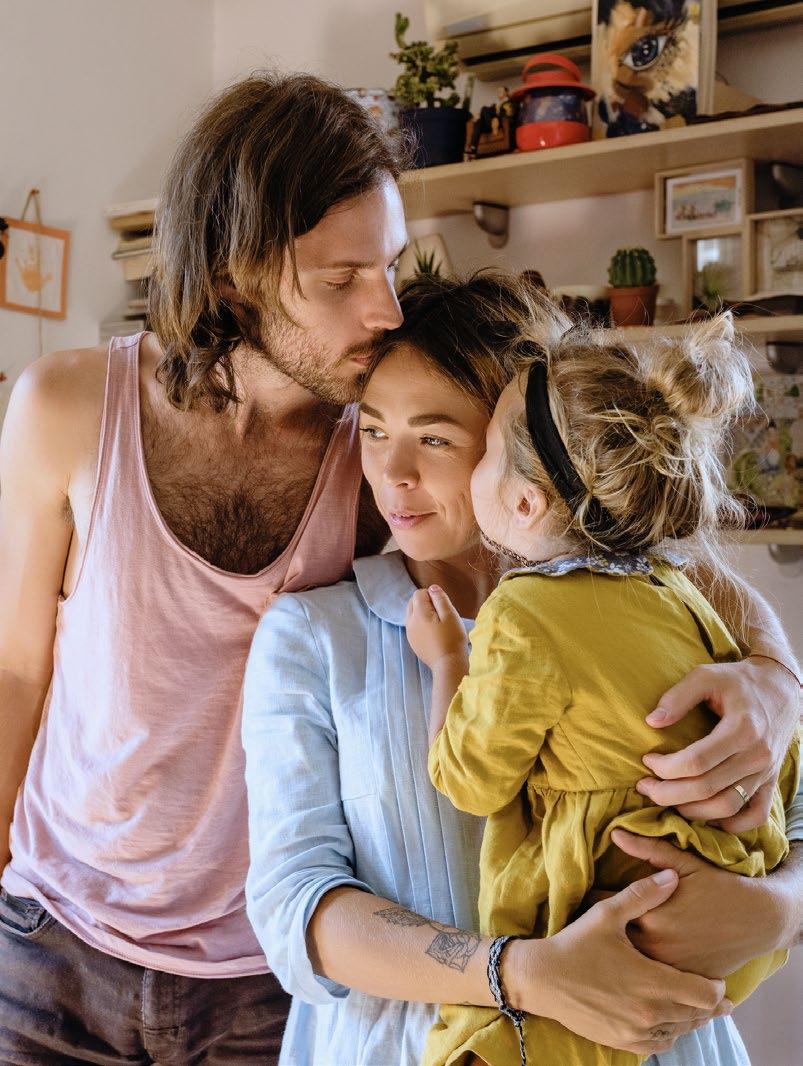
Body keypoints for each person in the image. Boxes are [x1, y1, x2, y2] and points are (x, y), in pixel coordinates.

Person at [242, 273, 802, 1066]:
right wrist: (521, 975)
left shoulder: (670, 606)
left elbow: (791, 819)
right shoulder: (314, 636)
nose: (392, 472)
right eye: (372, 431)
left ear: (531, 442)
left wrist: (776, 909)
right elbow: (295, 909)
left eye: (435, 438)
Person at [0, 72, 406, 1062]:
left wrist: (762, 670)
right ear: (233, 279)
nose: (387, 309)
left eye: (391, 266)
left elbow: (567, 547)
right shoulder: (64, 406)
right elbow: (14, 669)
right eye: (341, 280)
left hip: (266, 970)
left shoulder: (380, 451)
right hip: (52, 943)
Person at [405, 313, 799, 1066]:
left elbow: (468, 780)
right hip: (728, 894)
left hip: (609, 904)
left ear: (525, 504)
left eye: (485, 452)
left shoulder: (523, 612)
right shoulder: (674, 587)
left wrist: (447, 659)